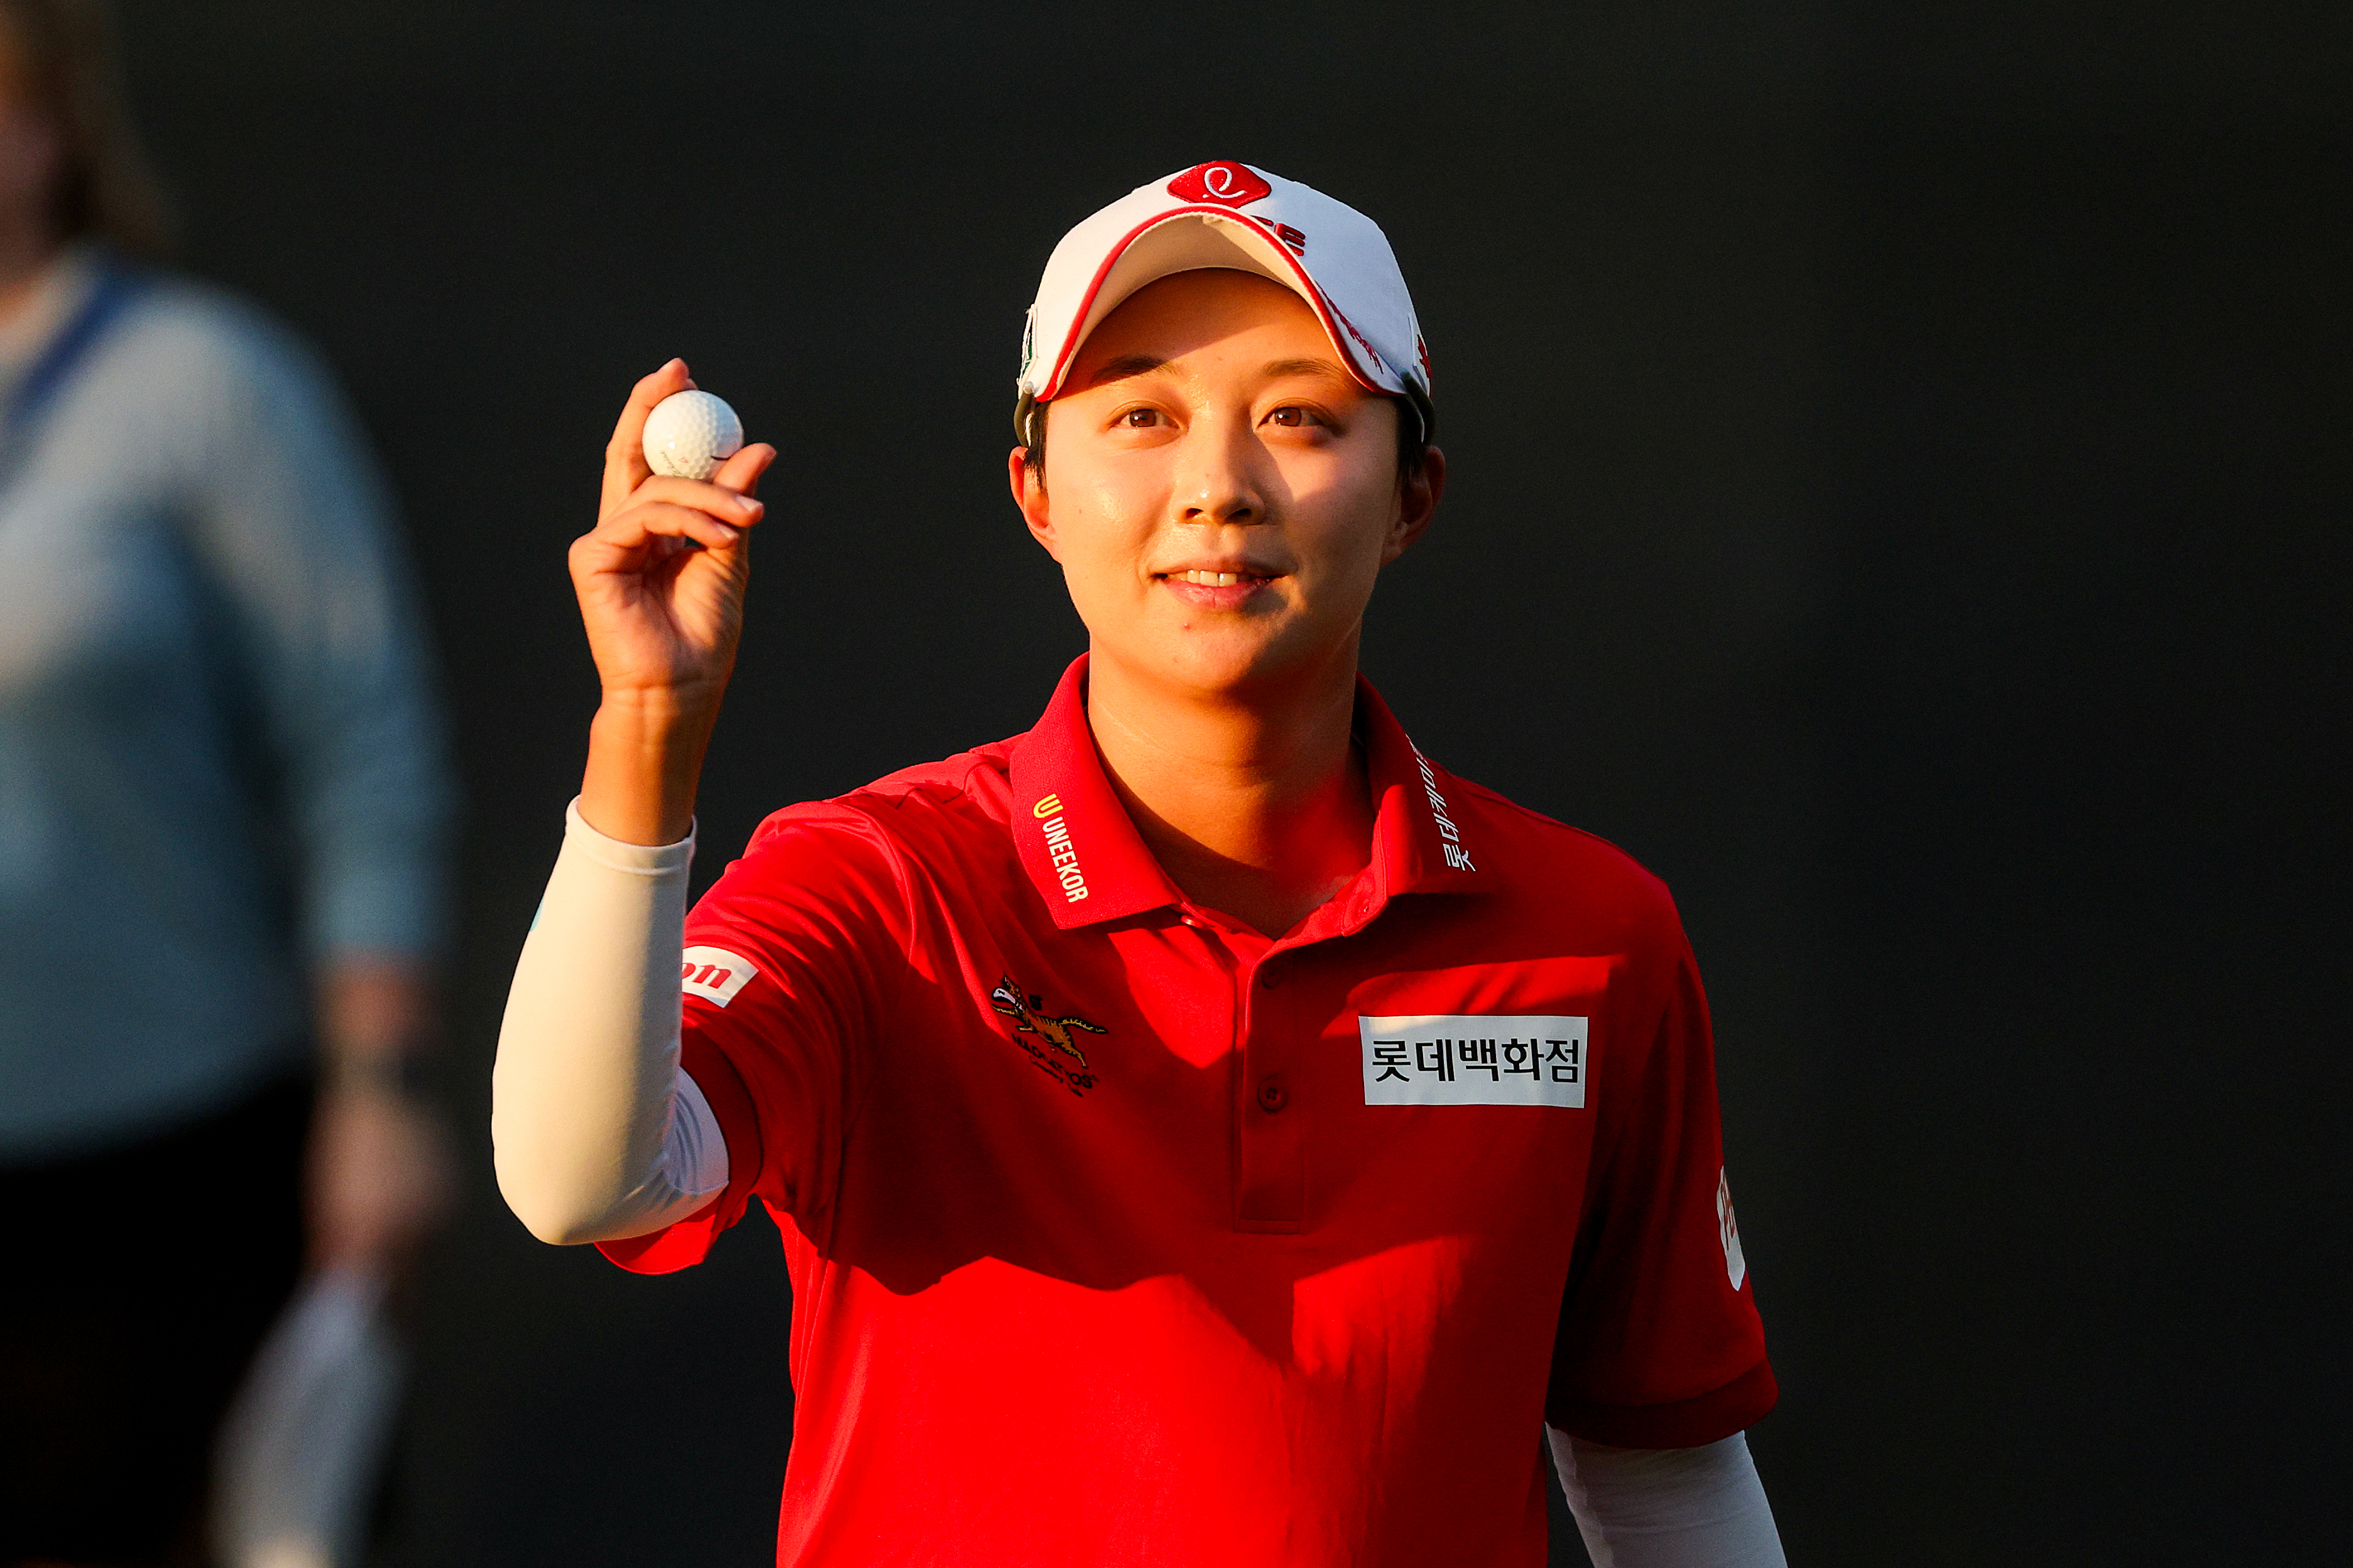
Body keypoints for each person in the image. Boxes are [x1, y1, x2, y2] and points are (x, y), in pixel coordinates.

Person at [494, 161, 1784, 1567]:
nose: (1216, 489)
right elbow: (583, 1183)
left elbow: (1665, 1483)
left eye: (1297, 415)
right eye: (1140, 418)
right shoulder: (881, 886)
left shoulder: (1588, 937)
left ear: (1414, 491)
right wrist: (647, 730)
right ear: (1035, 491)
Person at [0, 3, 453, 1564]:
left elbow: (363, 744)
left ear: (46, 132)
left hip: (166, 1167)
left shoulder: (206, 390)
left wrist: (376, 1094)